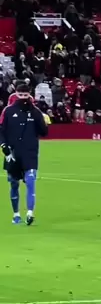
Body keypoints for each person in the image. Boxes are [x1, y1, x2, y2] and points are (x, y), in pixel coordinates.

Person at [0, 82, 48, 225]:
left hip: (30, 152)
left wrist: (43, 122)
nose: (23, 97)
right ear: (16, 94)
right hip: (13, 153)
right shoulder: (8, 111)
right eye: (20, 95)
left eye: (25, 95)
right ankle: (16, 214)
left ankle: (30, 213)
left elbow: (44, 132)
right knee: (14, 184)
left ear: (29, 95)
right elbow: (1, 131)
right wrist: (3, 146)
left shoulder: (36, 112)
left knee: (31, 181)